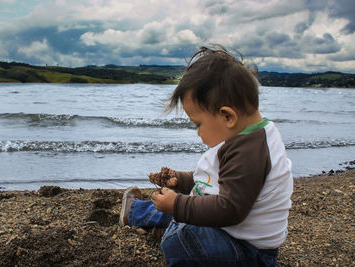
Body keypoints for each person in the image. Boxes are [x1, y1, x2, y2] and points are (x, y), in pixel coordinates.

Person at [119, 45, 293, 266]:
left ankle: (158, 227)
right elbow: (216, 180)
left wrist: (178, 206)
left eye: (198, 124)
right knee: (183, 204)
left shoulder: (248, 152)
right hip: (234, 236)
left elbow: (229, 209)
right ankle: (137, 213)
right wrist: (180, 180)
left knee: (179, 236)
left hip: (247, 252)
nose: (198, 132)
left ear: (227, 116)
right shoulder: (247, 136)